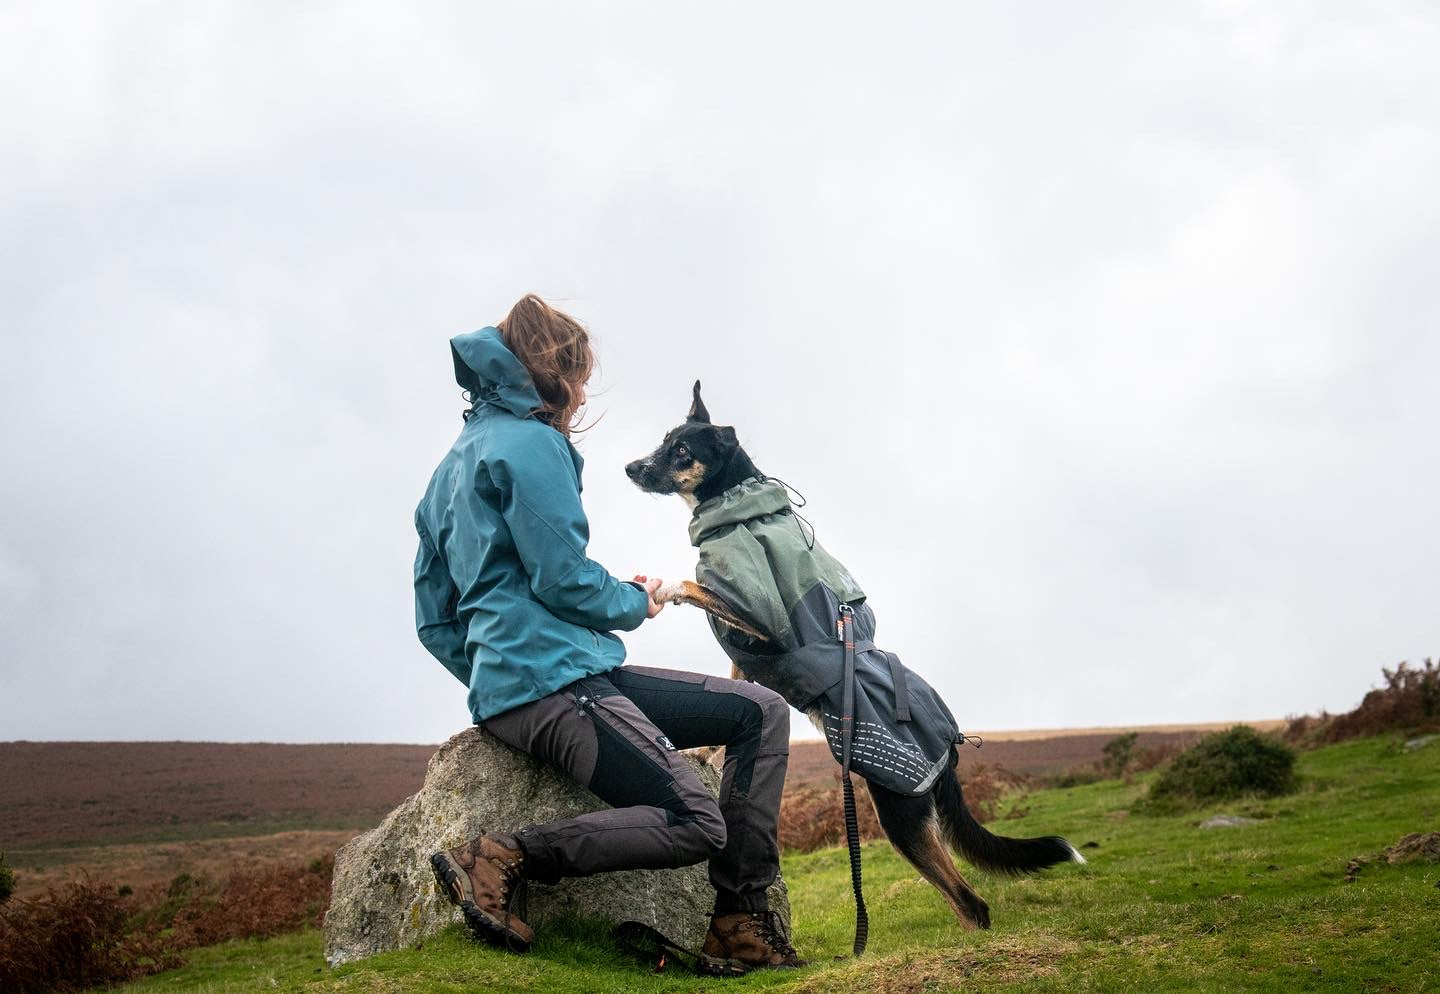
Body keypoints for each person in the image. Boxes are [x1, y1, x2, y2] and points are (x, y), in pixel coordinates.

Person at [412, 294, 801, 975]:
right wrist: (634, 602)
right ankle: (506, 854)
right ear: (553, 371)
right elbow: (563, 579)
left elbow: (436, 622)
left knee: (760, 711)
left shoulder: (447, 471)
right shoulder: (532, 444)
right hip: (555, 685)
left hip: (556, 679)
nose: (585, 391)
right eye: (581, 375)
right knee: (697, 823)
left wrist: (494, 679)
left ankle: (738, 919)